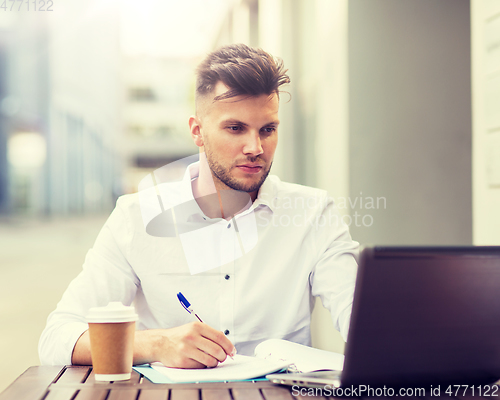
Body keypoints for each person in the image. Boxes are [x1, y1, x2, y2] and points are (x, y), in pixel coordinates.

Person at [39, 44, 358, 369]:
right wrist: (157, 344)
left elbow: (363, 319)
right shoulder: (136, 217)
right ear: (197, 131)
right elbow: (57, 338)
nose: (255, 147)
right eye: (235, 128)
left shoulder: (314, 213)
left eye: (268, 130)